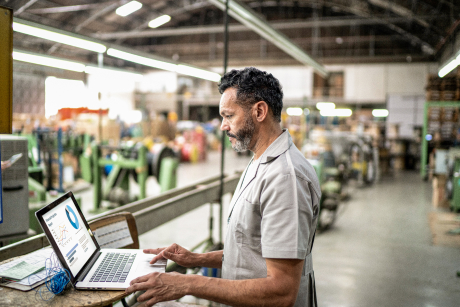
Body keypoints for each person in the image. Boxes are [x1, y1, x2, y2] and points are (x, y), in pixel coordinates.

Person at [126, 67, 321, 307]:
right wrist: (196, 258)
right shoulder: (260, 160)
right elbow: (252, 252)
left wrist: (187, 284)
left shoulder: (285, 178)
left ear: (259, 111)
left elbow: (282, 291)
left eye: (228, 116)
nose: (222, 126)